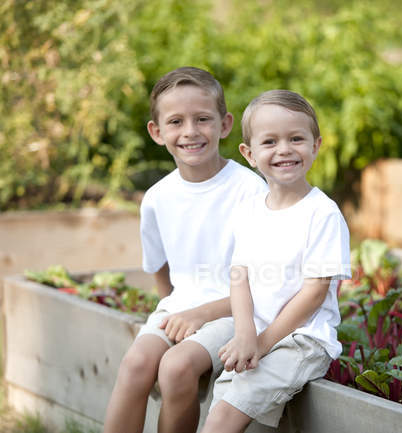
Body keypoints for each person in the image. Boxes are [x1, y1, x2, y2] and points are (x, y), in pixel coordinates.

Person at [103, 66, 267, 433]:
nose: (190, 131)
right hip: (182, 307)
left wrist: (200, 315)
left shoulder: (251, 191)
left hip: (239, 312)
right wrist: (175, 311)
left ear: (225, 125)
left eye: (202, 119)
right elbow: (159, 266)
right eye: (176, 121)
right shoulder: (158, 197)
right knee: (136, 365)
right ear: (157, 132)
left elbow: (267, 283)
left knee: (176, 367)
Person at [200, 90, 351, 433]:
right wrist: (245, 333)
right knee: (222, 409)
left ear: (315, 145)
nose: (284, 149)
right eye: (270, 141)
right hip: (258, 333)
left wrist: (263, 343)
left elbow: (314, 294)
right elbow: (240, 277)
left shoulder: (321, 213)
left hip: (302, 340)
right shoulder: (251, 209)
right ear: (249, 154)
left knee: (224, 418)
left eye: (296, 138)